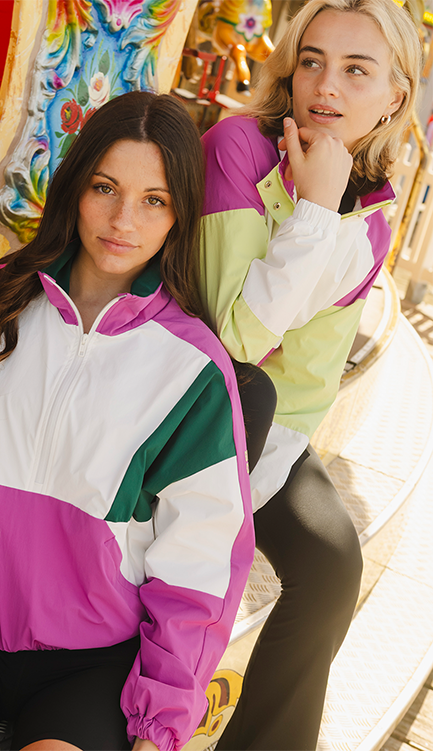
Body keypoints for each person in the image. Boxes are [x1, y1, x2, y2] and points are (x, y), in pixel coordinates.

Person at [0, 91, 259, 751]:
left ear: (180, 213)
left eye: (153, 200)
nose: (123, 219)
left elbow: (200, 570)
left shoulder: (193, 371)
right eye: (105, 188)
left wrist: (158, 725)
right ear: (76, 187)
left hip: (93, 670)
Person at [198, 0, 422, 749]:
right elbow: (234, 339)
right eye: (313, 61)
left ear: (393, 95)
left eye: (356, 70)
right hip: (195, 411)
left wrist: (328, 206)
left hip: (268, 434)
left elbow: (297, 369)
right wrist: (315, 208)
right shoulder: (237, 149)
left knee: (331, 566)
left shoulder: (375, 214)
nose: (326, 85)